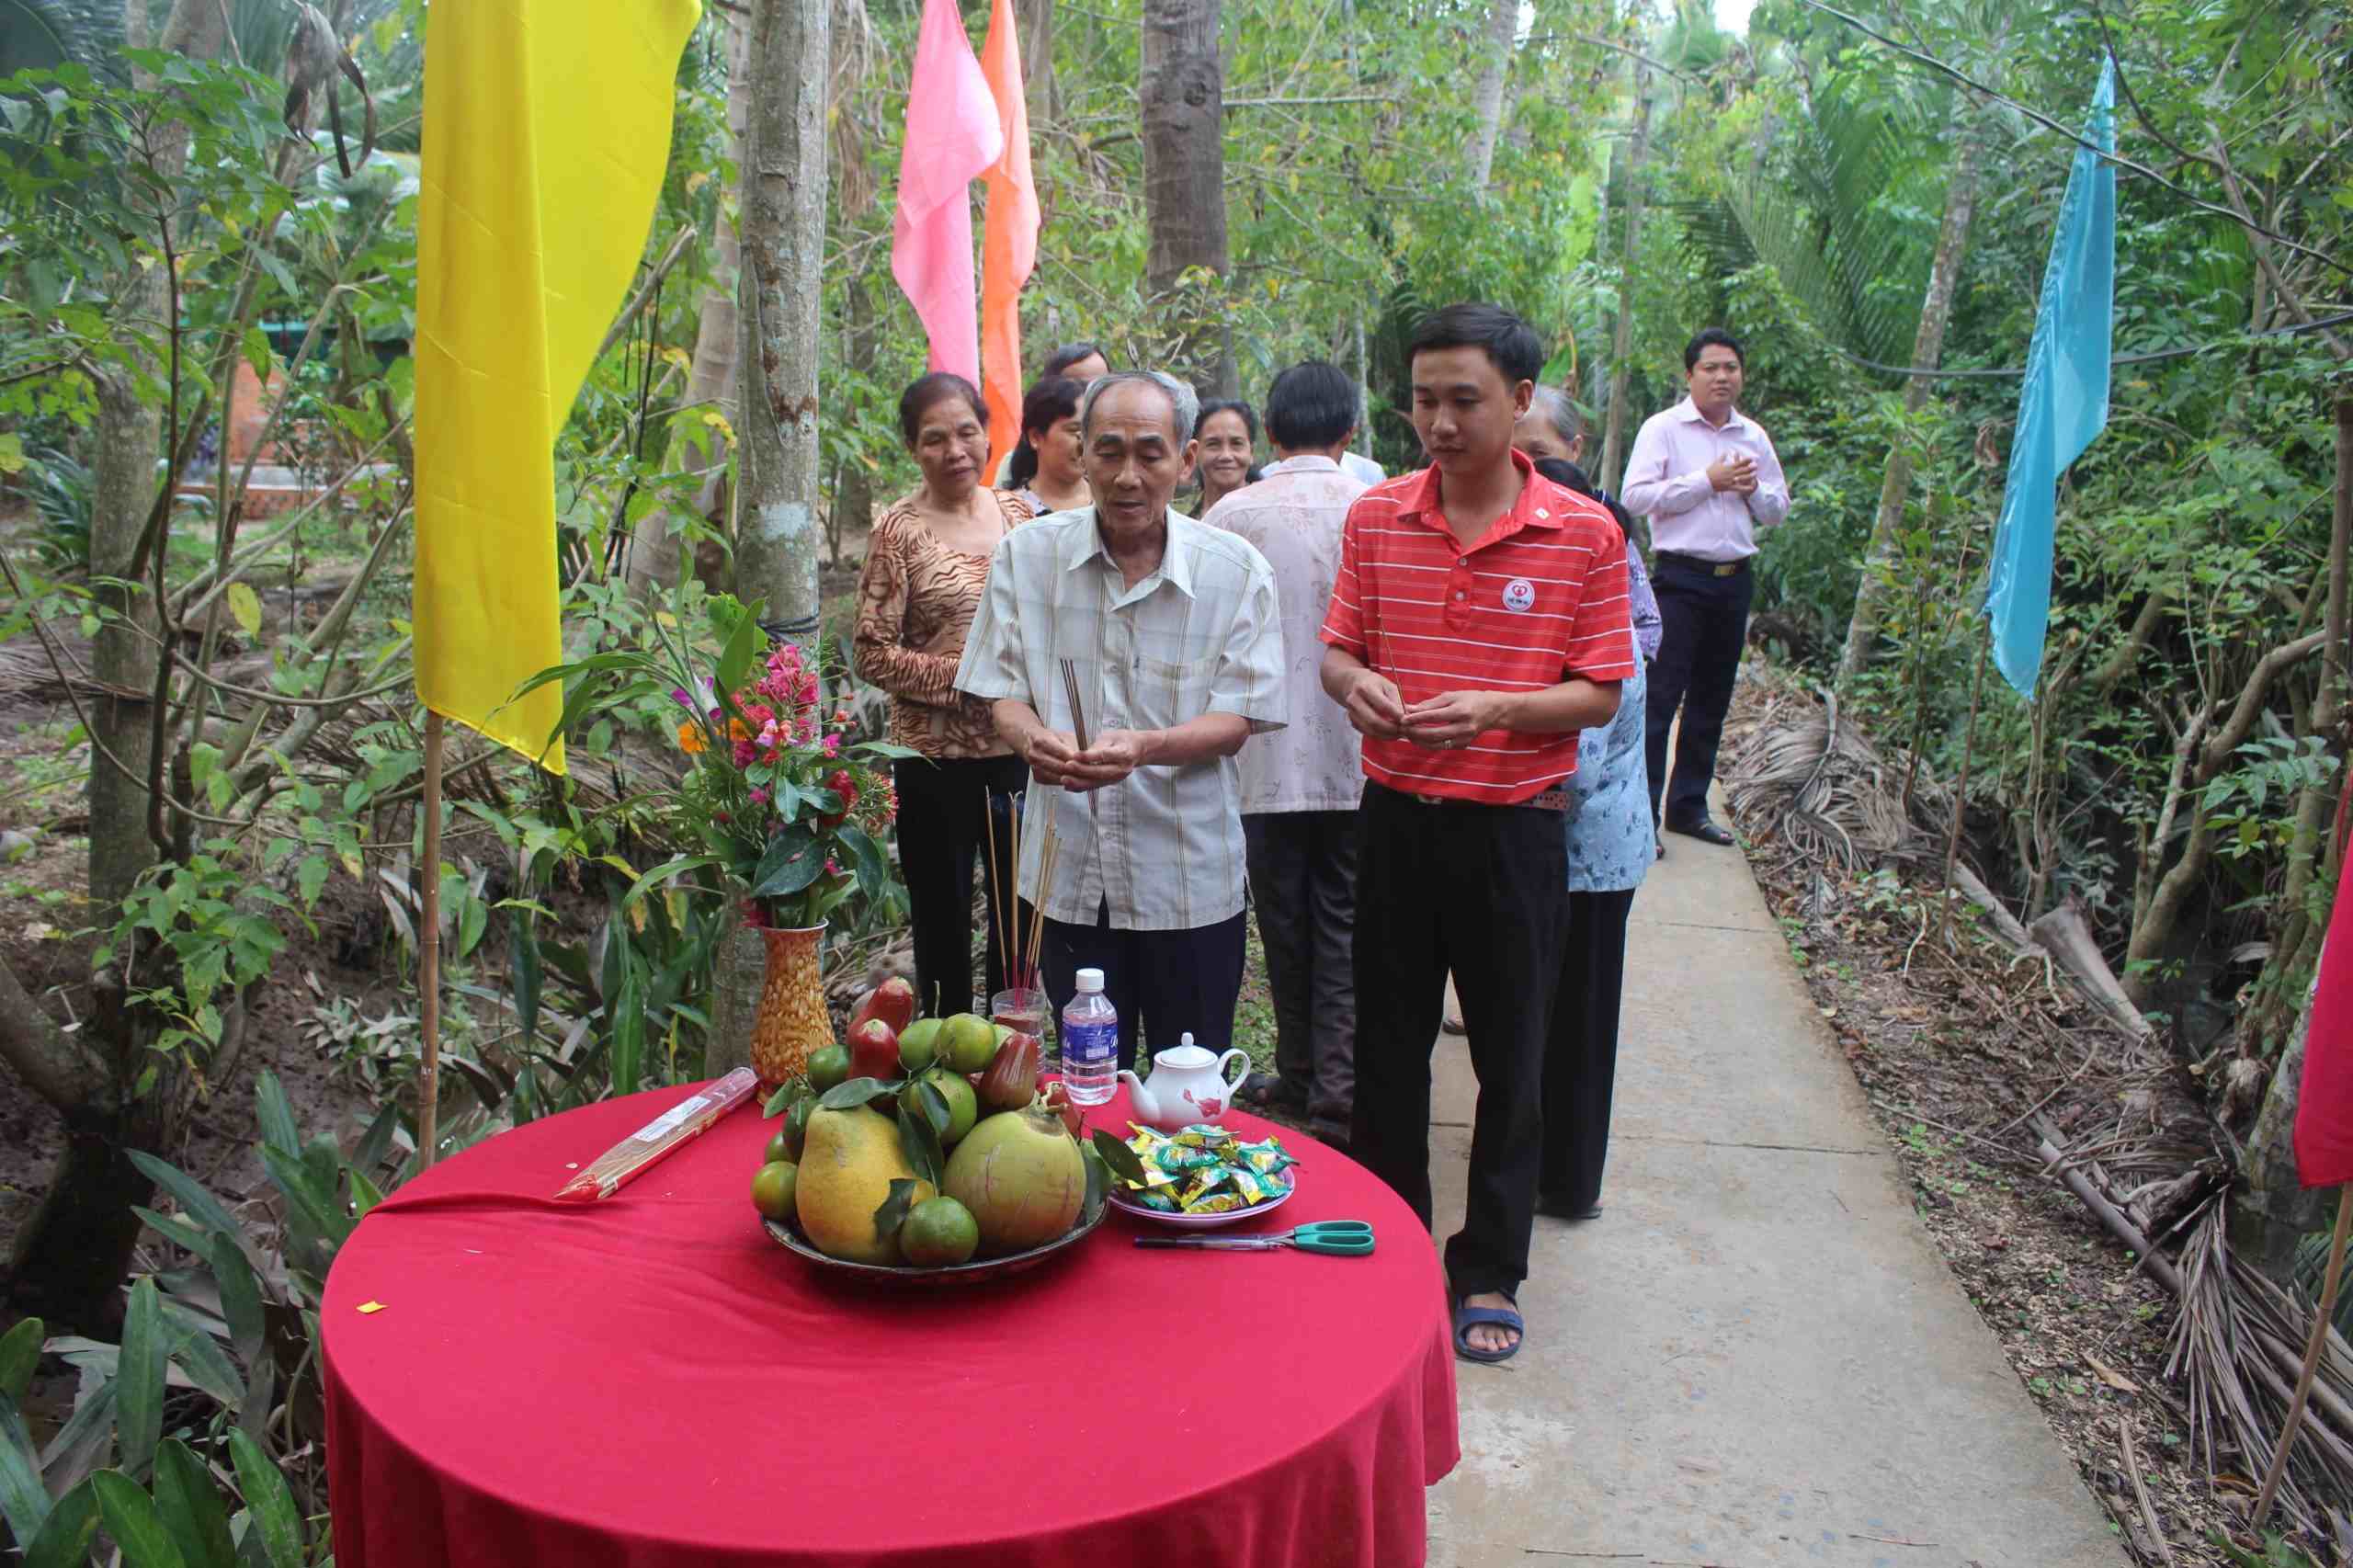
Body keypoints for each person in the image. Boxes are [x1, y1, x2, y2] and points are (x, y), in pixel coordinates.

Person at [1319, 304, 1633, 1365]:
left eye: (1464, 399)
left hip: (1515, 834)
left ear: (1521, 399)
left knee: (1513, 1057)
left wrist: (1497, 707)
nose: (1440, 422)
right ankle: (1391, 1247)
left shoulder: (1584, 533)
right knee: (1387, 1050)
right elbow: (1338, 650)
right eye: (1423, 400)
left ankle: (1489, 1266)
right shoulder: (1375, 517)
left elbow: (1598, 690)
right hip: (1395, 823)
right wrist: (1356, 685)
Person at [957, 370, 1287, 1064]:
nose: (1128, 476)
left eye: (1149, 453)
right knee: (1086, 1080)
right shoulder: (1028, 556)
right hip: (1067, 874)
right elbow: (1001, 692)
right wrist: (1032, 738)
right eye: (1109, 451)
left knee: (1189, 1082)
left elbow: (1238, 718)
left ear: (1186, 461)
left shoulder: (1236, 572)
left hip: (1187, 876)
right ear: (1082, 453)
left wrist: (1143, 746)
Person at [1202, 363, 1368, 1149]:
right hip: (1357, 753)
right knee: (1344, 922)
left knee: (1283, 921)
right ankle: (1334, 1091)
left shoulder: (1231, 515)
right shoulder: (1377, 507)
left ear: (1268, 433)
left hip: (1260, 754)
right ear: (1350, 431)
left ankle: (1305, 1075)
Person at [854, 373, 1033, 1017]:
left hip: (1018, 751)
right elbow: (871, 651)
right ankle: (947, 1054)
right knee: (941, 918)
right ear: (912, 448)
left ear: (988, 435)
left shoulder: (1021, 516)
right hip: (931, 762)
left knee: (1021, 919)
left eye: (966, 432)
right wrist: (966, 679)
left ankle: (1015, 1049)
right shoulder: (897, 531)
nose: (954, 450)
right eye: (934, 438)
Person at [1525, 453, 1653, 1225]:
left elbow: (1573, 770)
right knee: (1561, 1015)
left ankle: (1570, 1180)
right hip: (1585, 853)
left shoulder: (1596, 626)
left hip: (1589, 861)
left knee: (1578, 1019)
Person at [1620, 327, 1789, 847]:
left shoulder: (1752, 437)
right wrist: (1706, 482)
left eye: (1730, 368)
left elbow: (1778, 509)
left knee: (1711, 700)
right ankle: (1643, 818)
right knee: (1660, 699)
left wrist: (1752, 489)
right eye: (1711, 368)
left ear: (1742, 375)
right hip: (1680, 579)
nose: (1722, 377)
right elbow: (1635, 496)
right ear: (1689, 375)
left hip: (1734, 580)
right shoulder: (1664, 429)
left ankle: (1688, 808)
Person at [1003, 375, 1090, 517]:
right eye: (1074, 430)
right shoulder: (1011, 512)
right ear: (1036, 437)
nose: (1084, 442)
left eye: (1090, 430)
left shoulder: (1109, 500)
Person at [1192, 399, 1265, 517]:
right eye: (1213, 444)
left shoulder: (1269, 514)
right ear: (1194, 453)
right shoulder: (1175, 519)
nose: (1226, 455)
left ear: (1251, 452)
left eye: (1236, 443)